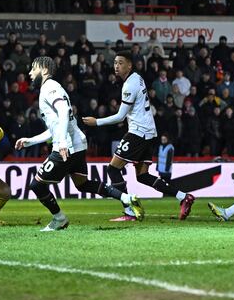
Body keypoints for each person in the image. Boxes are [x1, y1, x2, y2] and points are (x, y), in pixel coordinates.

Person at [15, 57, 142, 231]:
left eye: (33, 69)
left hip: (66, 146)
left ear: (44, 70)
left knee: (36, 185)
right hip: (76, 143)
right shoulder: (51, 88)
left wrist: (60, 143)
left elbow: (63, 112)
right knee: (83, 184)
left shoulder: (49, 87)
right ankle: (126, 198)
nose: (29, 73)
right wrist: (30, 141)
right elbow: (56, 125)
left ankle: (59, 218)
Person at [83, 51, 195, 221]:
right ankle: (183, 197)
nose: (116, 66)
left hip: (138, 132)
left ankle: (129, 211)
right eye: (115, 63)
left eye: (121, 63)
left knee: (113, 169)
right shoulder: (137, 78)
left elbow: (120, 116)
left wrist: (96, 122)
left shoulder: (129, 85)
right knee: (142, 176)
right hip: (149, 132)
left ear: (129, 65)